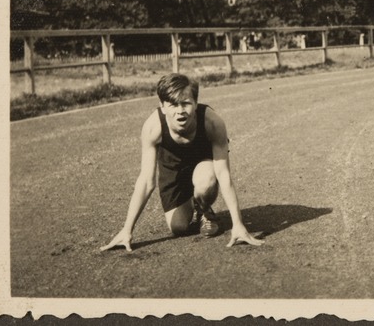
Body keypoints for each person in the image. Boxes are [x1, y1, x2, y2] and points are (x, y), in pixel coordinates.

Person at [101, 73, 263, 251]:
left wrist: (238, 224)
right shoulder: (152, 128)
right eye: (173, 105)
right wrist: (127, 230)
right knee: (178, 227)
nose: (180, 111)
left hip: (203, 165)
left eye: (186, 103)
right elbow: (146, 181)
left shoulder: (212, 122)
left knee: (206, 182)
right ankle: (191, 203)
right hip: (173, 170)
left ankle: (204, 209)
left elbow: (223, 174)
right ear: (162, 107)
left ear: (195, 103)